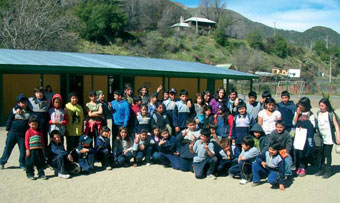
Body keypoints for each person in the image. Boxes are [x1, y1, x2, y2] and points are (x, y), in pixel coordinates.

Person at [0, 94, 31, 170]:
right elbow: (9, 120)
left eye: (25, 102)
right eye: (22, 102)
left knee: (23, 150)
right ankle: (2, 162)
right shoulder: (14, 110)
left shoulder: (29, 111)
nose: (24, 104)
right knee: (8, 148)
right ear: (18, 103)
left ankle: (22, 164)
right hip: (12, 133)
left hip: (23, 135)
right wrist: (7, 129)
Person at [315, 98, 340, 178]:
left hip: (329, 137)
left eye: (322, 106)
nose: (321, 107)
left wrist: (338, 137)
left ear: (327, 106)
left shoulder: (331, 114)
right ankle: (321, 169)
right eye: (320, 106)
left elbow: (336, 126)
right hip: (321, 137)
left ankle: (328, 171)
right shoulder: (318, 113)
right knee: (321, 154)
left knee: (327, 154)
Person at [293, 97, 315, 177]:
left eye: (302, 105)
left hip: (306, 135)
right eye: (299, 104)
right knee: (297, 151)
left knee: (305, 151)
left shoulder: (310, 113)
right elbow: (294, 123)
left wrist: (305, 126)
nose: (300, 106)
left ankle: (303, 167)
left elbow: (313, 125)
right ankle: (298, 166)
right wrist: (297, 114)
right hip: (299, 135)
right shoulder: (297, 112)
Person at [25, 115, 46, 180]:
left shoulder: (40, 131)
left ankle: (41, 174)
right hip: (31, 150)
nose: (34, 126)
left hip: (39, 149)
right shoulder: (28, 131)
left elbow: (42, 140)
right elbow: (26, 141)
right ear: (29, 124)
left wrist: (43, 149)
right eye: (32, 124)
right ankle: (30, 174)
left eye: (36, 124)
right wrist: (27, 150)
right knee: (30, 163)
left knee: (40, 162)